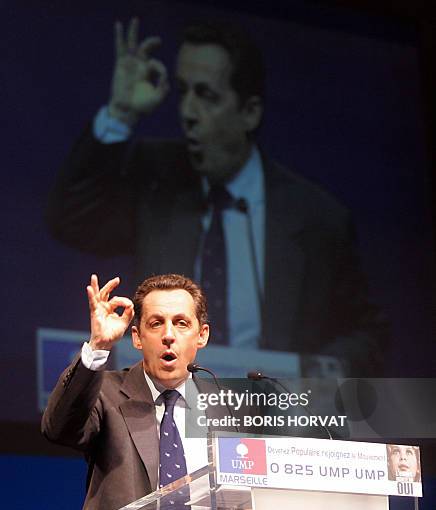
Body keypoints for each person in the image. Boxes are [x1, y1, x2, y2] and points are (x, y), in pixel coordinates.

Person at [46, 19, 386, 374]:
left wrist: (319, 373)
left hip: (270, 414)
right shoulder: (156, 178)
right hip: (162, 409)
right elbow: (69, 217)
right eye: (184, 92)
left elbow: (367, 334)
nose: (188, 113)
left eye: (206, 96)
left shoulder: (316, 217)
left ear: (249, 111)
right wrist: (121, 113)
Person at [42, 273, 236, 510]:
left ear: (201, 335)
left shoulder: (225, 406)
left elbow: (247, 481)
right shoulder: (106, 393)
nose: (168, 336)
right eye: (156, 323)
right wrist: (97, 347)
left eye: (181, 323)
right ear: (136, 336)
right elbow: (59, 427)